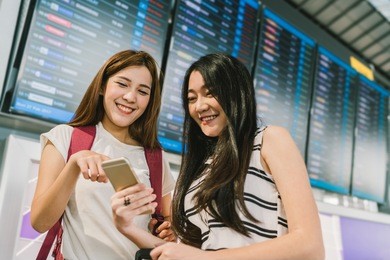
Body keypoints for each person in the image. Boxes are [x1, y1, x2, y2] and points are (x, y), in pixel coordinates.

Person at [111, 53, 325, 259]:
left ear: (236, 92)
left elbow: (309, 246)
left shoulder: (269, 140)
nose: (200, 106)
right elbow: (188, 254)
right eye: (191, 98)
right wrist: (128, 228)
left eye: (210, 93)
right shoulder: (199, 172)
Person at [31, 50, 176, 260]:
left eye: (143, 91)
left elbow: (166, 220)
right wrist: (74, 164)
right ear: (102, 86)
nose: (130, 97)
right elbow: (39, 222)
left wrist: (169, 231)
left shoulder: (155, 157)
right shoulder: (65, 137)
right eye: (122, 84)